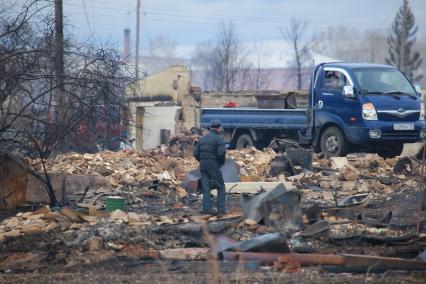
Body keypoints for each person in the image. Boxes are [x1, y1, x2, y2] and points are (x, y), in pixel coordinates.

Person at [193, 119, 226, 215]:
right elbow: (221, 153)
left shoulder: (202, 138)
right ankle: (221, 210)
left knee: (206, 188)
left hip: (203, 167)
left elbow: (195, 153)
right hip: (214, 166)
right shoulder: (219, 139)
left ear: (211, 128)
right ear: (219, 128)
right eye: (220, 128)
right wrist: (219, 163)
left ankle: (206, 209)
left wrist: (201, 160)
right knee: (220, 187)